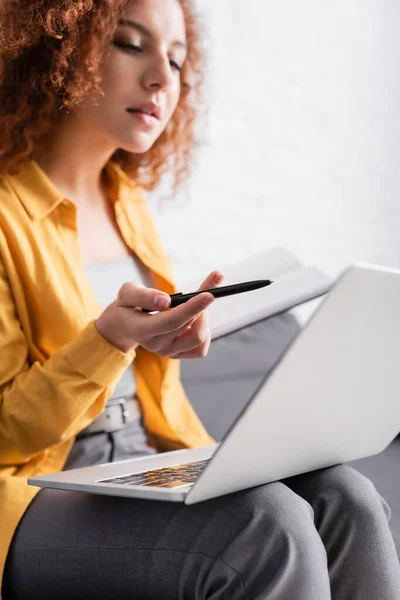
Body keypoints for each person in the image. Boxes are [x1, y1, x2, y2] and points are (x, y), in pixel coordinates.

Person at [0, 0, 399, 598]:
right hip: (34, 486)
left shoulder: (126, 206)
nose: (163, 76)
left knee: (349, 500)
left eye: (178, 59)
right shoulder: (6, 214)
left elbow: (156, 394)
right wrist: (111, 340)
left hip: (137, 457)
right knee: (268, 529)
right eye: (131, 45)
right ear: (57, 51)